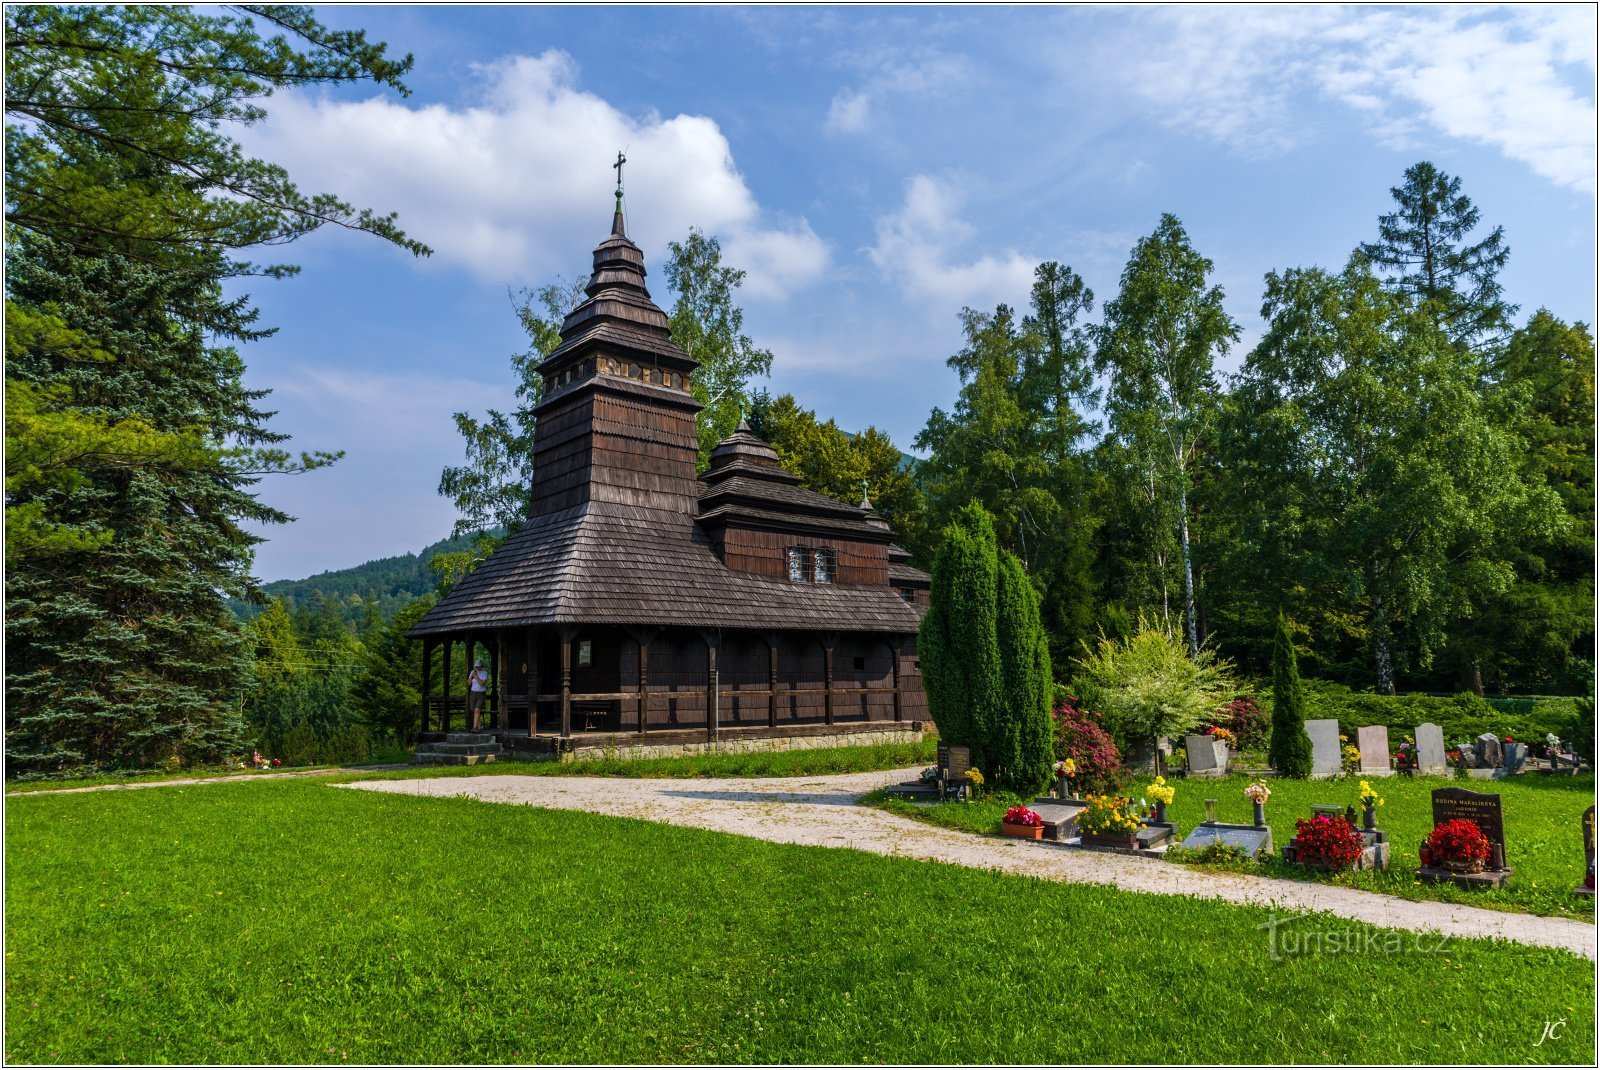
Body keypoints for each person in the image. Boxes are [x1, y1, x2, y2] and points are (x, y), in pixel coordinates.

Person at [467, 659, 490, 730]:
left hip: (481, 693)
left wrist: (476, 676)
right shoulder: (472, 672)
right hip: (473, 693)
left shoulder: (484, 673)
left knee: (477, 710)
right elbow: (469, 683)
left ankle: (474, 728)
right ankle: (479, 727)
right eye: (476, 666)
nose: (477, 668)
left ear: (481, 666)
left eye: (478, 666)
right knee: (475, 711)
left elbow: (482, 683)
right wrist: (471, 676)